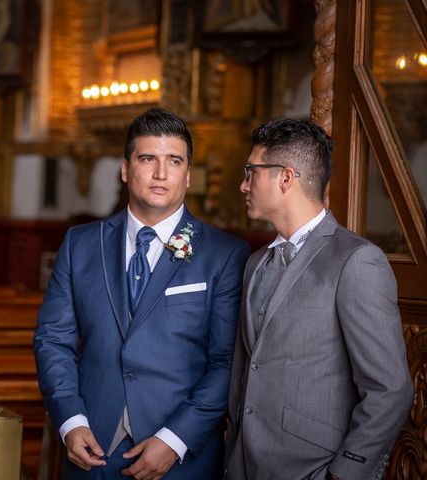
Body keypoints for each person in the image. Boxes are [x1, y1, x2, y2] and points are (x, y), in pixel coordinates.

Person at [34, 107, 249, 479]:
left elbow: (227, 362)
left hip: (182, 458)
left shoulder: (225, 254)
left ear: (188, 175)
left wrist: (175, 439)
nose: (161, 173)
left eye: (174, 161)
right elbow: (53, 340)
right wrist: (70, 420)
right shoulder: (81, 244)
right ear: (125, 169)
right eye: (148, 158)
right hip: (92, 448)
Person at [225, 118, 413, 480]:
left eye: (251, 172)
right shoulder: (255, 263)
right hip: (242, 465)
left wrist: (344, 473)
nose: (243, 184)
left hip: (312, 470)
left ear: (285, 177)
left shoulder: (357, 261)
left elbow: (390, 390)